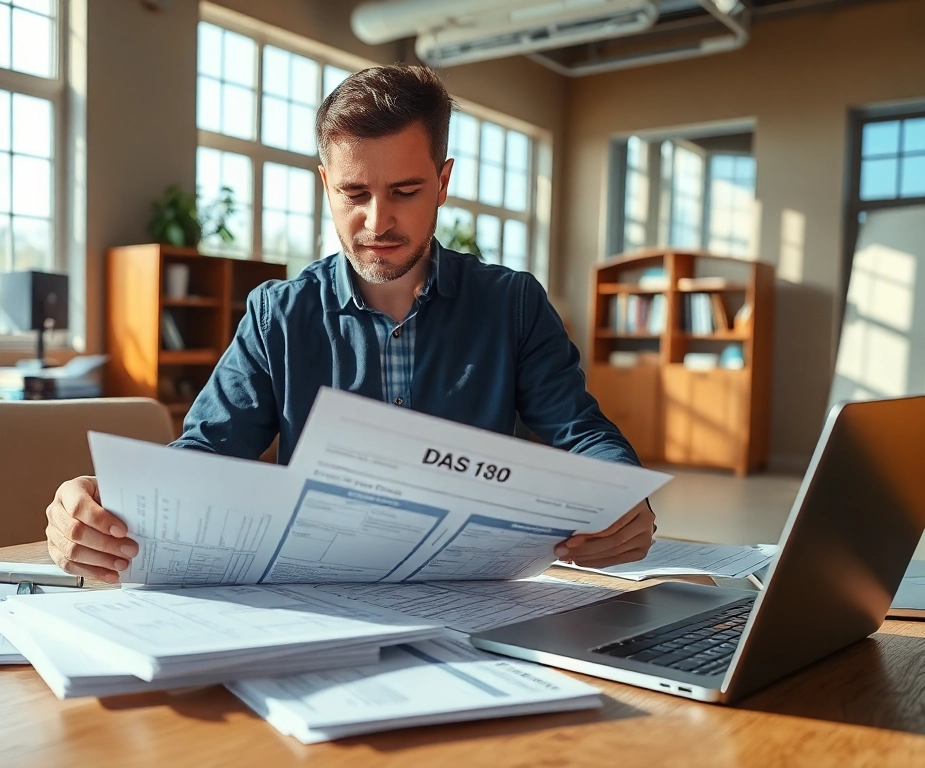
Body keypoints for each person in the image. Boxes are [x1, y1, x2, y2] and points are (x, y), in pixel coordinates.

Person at [46, 64, 655, 584]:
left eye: (406, 191)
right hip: (316, 607)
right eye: (354, 192)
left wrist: (624, 498)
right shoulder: (277, 315)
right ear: (325, 186)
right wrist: (109, 505)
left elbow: (581, 432)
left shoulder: (513, 304)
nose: (377, 221)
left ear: (443, 183)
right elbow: (203, 459)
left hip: (476, 600)